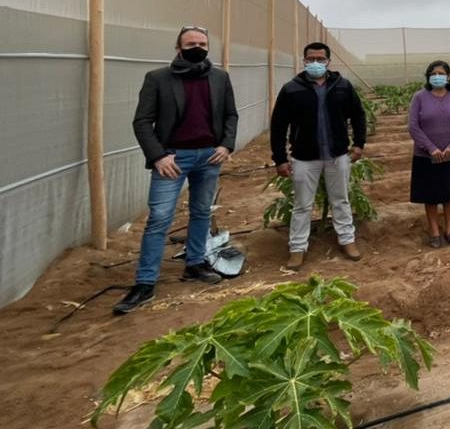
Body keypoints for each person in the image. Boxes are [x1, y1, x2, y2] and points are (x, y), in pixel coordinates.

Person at [113, 26, 238, 315]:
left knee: (202, 211)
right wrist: (158, 156)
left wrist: (226, 145)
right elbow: (142, 122)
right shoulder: (158, 79)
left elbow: (231, 114)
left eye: (203, 43)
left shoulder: (220, 78)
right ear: (178, 48)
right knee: (159, 218)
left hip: (210, 156)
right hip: (172, 159)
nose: (198, 47)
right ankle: (145, 283)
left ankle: (194, 263)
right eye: (191, 43)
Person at [269, 42, 366, 270]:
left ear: (328, 61)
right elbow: (278, 126)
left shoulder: (342, 86)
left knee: (340, 199)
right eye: (310, 59)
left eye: (320, 59)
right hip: (304, 157)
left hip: (337, 155)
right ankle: (297, 248)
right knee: (302, 204)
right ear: (304, 61)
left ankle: (347, 240)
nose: (315, 63)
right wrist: (280, 158)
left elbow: (358, 115)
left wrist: (359, 143)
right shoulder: (291, 89)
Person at [407, 60, 450, 248]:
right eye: (433, 73)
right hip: (426, 156)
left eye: (441, 73)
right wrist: (431, 148)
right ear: (428, 77)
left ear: (449, 76)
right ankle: (434, 230)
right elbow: (413, 126)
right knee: (431, 194)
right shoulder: (419, 97)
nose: (437, 76)